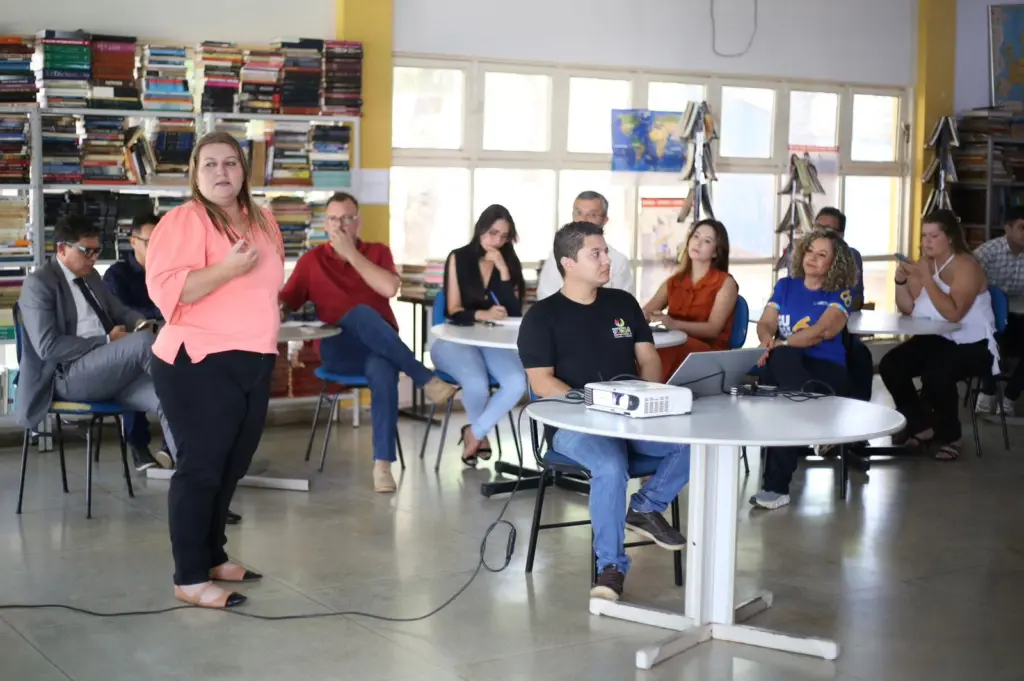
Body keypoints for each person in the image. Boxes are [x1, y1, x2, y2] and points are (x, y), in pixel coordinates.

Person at [146, 131, 285, 609]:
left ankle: (213, 556)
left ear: (244, 171)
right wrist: (227, 269)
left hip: (254, 357)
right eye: (210, 164)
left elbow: (267, 291)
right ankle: (188, 577)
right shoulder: (182, 221)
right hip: (196, 361)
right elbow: (169, 293)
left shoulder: (264, 221)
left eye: (230, 163)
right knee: (201, 468)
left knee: (232, 466)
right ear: (195, 174)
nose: (222, 172)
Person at [518, 221, 691, 602]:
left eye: (605, 251)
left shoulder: (623, 304)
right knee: (611, 466)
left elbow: (648, 359)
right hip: (574, 425)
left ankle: (645, 507)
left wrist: (649, 399)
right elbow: (542, 382)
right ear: (568, 263)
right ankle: (611, 566)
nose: (606, 259)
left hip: (632, 418)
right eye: (594, 253)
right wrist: (596, 407)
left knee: (694, 442)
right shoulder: (542, 317)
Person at [279, 192, 457, 493]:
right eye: (334, 219)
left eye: (347, 219)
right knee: (360, 314)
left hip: (381, 346)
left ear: (358, 222)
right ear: (326, 223)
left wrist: (352, 255)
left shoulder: (377, 252)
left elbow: (388, 287)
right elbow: (288, 300)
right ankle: (425, 378)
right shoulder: (312, 261)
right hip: (339, 348)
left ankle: (382, 466)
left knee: (383, 367)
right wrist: (275, 305)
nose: (340, 226)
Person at [16, 214, 175, 472]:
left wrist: (140, 323)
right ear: (62, 249)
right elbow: (48, 347)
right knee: (144, 344)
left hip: (109, 373)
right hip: (68, 376)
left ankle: (195, 483)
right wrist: (105, 340)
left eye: (97, 251)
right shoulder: (39, 284)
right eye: (86, 251)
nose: (94, 258)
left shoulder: (92, 277)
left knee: (172, 398)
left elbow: (121, 312)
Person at [749, 229, 857, 510]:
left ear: (834, 263)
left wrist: (780, 345)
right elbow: (766, 323)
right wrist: (767, 340)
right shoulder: (786, 286)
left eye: (823, 254)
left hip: (824, 373)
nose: (813, 258)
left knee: (781, 380)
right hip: (790, 376)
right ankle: (807, 423)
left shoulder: (840, 293)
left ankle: (776, 486)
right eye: (810, 251)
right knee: (782, 385)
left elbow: (820, 332)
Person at [879, 210, 998, 462]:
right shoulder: (925, 263)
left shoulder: (967, 267)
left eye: (934, 236)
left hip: (974, 343)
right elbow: (910, 308)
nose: (927, 241)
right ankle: (921, 425)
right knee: (891, 364)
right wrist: (901, 282)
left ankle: (951, 436)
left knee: (936, 374)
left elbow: (954, 313)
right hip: (938, 337)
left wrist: (927, 279)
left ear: (950, 238)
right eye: (924, 236)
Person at [429, 204, 527, 465]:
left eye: (504, 236)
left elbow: (514, 312)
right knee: (476, 383)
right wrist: (481, 315)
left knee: (517, 381)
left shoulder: (507, 260)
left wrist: (503, 271)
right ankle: (480, 437)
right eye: (493, 233)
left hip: (491, 341)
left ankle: (474, 432)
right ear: (481, 229)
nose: (498, 241)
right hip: (453, 339)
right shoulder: (458, 257)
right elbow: (452, 310)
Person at [103, 214, 171, 470]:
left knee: (195, 371)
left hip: (168, 341)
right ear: (133, 241)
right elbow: (123, 313)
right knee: (135, 373)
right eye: (152, 241)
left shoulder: (172, 271)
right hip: (132, 348)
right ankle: (138, 445)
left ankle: (171, 447)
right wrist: (160, 313)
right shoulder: (117, 274)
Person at [641, 218, 738, 381]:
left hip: (708, 350)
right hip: (676, 343)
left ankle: (651, 393)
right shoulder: (674, 281)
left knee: (666, 350)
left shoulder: (726, 283)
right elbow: (646, 310)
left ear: (715, 251)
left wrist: (673, 324)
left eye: (706, 241)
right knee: (640, 346)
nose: (698, 243)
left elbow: (713, 329)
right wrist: (645, 316)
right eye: (695, 237)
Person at [815, 206, 873, 402]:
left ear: (840, 234)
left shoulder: (851, 257)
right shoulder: (802, 255)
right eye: (818, 227)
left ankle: (858, 417)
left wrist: (836, 296)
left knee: (860, 356)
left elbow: (857, 299)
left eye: (829, 229)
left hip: (840, 328)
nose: (822, 233)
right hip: (804, 325)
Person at [536, 191, 634, 300]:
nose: (583, 219)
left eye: (592, 214)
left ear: (605, 220)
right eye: (579, 213)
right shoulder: (557, 256)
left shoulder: (618, 261)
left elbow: (623, 305)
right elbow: (545, 296)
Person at [973, 207, 1024, 417]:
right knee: (988, 339)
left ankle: (1011, 397)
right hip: (989, 312)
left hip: (1019, 314)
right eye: (1022, 227)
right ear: (1007, 229)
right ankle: (988, 391)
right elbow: (968, 284)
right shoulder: (987, 252)